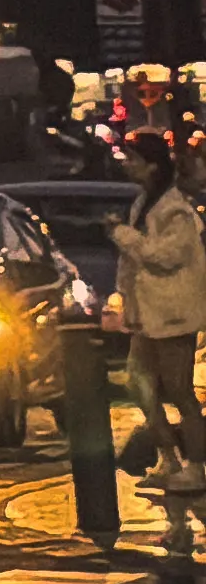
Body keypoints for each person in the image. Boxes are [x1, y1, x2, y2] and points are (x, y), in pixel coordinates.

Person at [115, 142, 206, 480]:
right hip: (147, 315)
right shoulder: (144, 203)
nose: (127, 164)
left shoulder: (176, 211)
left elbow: (163, 256)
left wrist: (122, 234)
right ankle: (167, 456)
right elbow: (134, 264)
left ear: (153, 165)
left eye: (133, 158)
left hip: (173, 315)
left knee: (179, 390)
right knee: (139, 384)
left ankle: (196, 465)